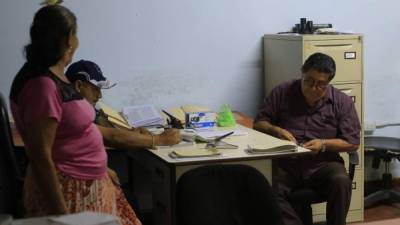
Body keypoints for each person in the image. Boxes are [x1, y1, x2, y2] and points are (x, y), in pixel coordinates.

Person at [9, 5, 141, 225]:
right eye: (75, 34)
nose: (77, 41)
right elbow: (41, 155)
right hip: (69, 195)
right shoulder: (42, 86)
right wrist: (62, 216)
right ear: (66, 40)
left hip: (84, 190)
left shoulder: (51, 74)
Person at [253, 52, 361, 225]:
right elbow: (259, 123)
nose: (313, 88)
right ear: (302, 72)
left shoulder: (342, 102)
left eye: (321, 84)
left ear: (329, 82)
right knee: (265, 187)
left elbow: (353, 142)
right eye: (309, 80)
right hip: (286, 163)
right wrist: (276, 130)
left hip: (323, 164)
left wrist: (324, 144)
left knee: (341, 181)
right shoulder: (282, 92)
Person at [65, 59, 181, 150]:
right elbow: (112, 137)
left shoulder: (80, 109)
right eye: (96, 89)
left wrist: (132, 134)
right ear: (79, 86)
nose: (100, 95)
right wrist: (159, 139)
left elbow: (105, 133)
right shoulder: (71, 113)